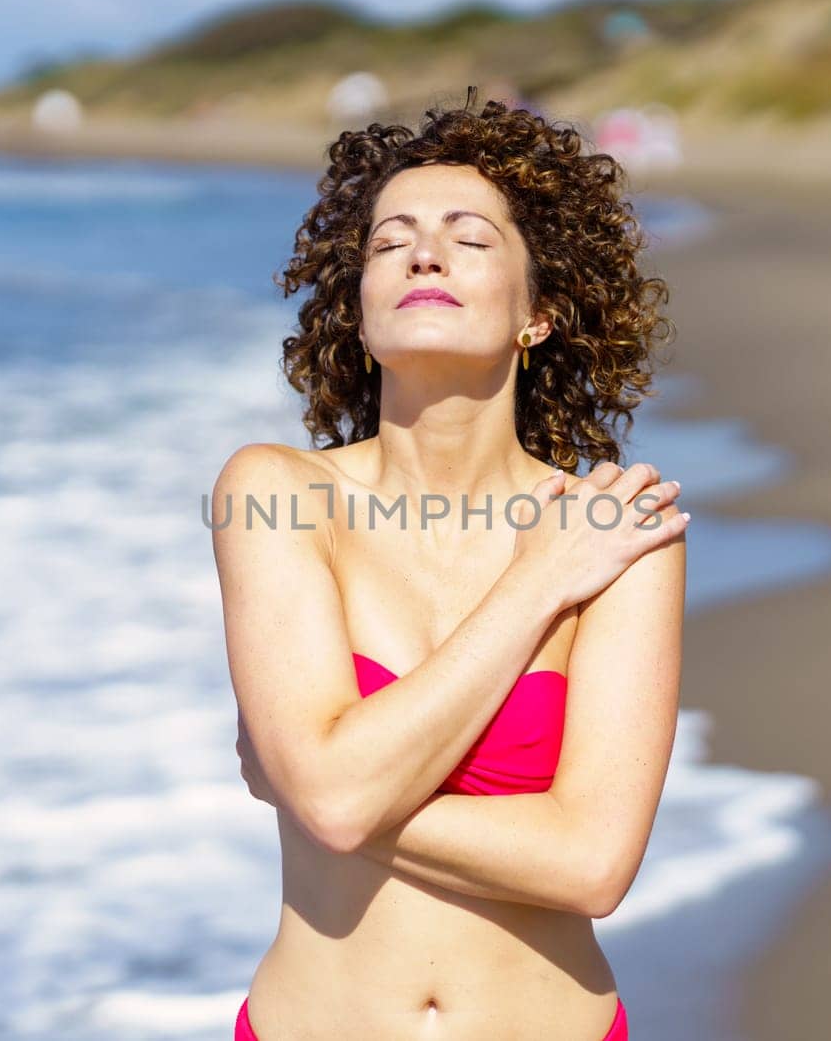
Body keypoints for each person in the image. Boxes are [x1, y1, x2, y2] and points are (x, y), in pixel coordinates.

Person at [210, 87, 687, 1040]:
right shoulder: (272, 491)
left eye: (468, 238)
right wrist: (538, 581)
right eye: (389, 242)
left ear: (539, 312)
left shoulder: (618, 530)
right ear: (360, 308)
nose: (422, 252)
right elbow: (336, 799)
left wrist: (308, 782)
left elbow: (593, 862)